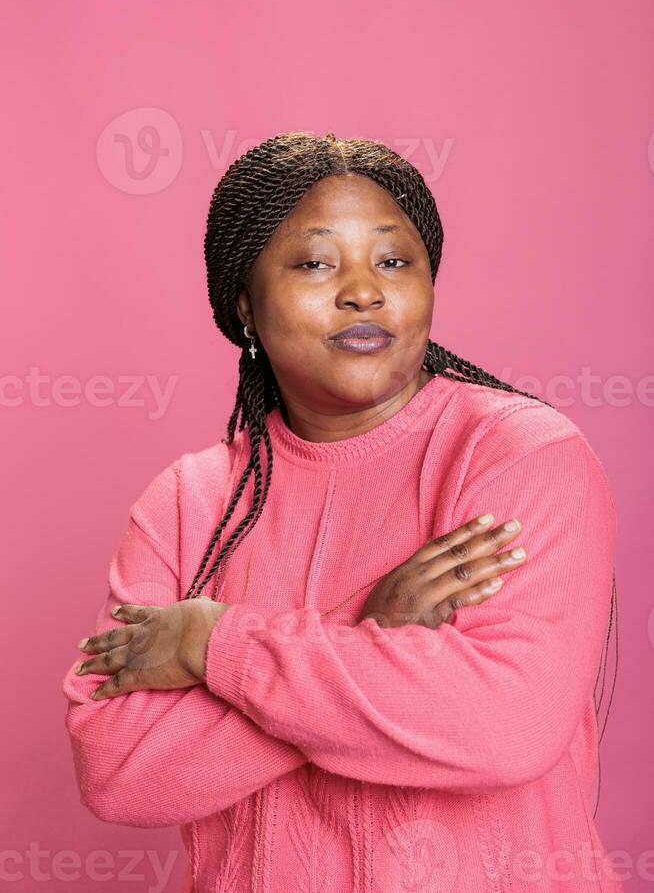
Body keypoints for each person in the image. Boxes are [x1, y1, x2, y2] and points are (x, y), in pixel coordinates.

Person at [62, 132, 621, 892]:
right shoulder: (188, 502)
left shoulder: (518, 455)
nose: (364, 290)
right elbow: (120, 770)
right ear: (245, 308)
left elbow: (505, 727)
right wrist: (366, 632)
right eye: (316, 263)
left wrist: (213, 643)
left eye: (394, 261)